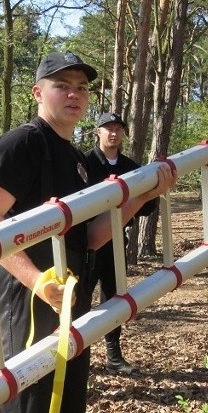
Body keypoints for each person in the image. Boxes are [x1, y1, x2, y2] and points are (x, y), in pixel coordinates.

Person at [0, 51, 175, 413]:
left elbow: (95, 236)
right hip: (28, 298)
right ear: (38, 92)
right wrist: (37, 279)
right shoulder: (23, 143)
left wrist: (143, 194)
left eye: (81, 86)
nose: (74, 94)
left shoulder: (79, 162)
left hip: (72, 300)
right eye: (62, 84)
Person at [83, 112, 157, 377]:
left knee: (115, 300)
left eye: (118, 129)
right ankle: (74, 355)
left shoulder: (131, 167)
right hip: (86, 244)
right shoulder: (84, 163)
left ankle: (113, 356)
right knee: (79, 299)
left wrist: (131, 207)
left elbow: (149, 203)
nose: (113, 133)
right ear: (97, 132)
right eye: (107, 128)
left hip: (116, 243)